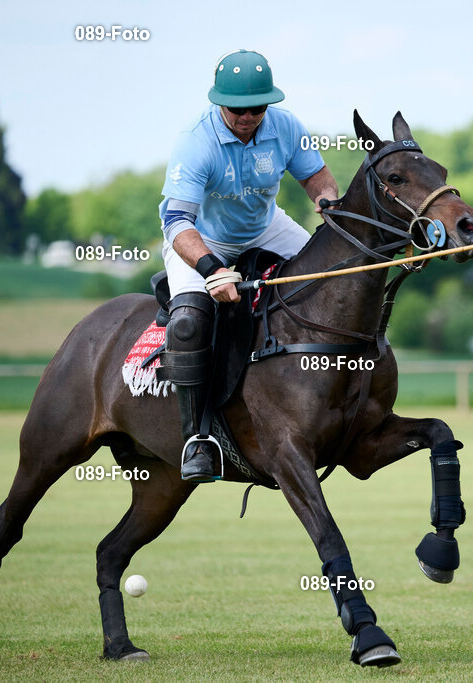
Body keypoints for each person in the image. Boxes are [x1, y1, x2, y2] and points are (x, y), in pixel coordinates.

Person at [158, 49, 338, 482]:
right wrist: (210, 269)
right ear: (220, 102)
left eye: (257, 107)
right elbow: (176, 220)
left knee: (329, 278)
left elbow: (317, 176)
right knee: (187, 322)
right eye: (238, 109)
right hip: (204, 237)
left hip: (266, 226)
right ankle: (197, 439)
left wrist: (327, 202)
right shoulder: (195, 142)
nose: (248, 116)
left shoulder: (286, 126)